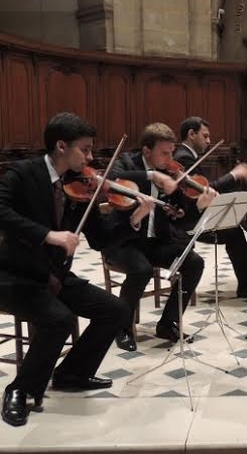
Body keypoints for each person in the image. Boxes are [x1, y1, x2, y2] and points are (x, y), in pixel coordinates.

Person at [0, 112, 134, 427]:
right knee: (59, 319)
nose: (90, 158)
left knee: (116, 310)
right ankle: (20, 389)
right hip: (16, 276)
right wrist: (47, 235)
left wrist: (133, 220)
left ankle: (72, 374)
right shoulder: (23, 173)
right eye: (85, 149)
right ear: (61, 146)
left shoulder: (78, 187)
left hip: (55, 275)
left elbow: (100, 240)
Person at [103, 122, 217, 351]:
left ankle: (167, 323)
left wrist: (199, 207)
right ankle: (122, 327)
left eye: (171, 152)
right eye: (164, 153)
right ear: (147, 151)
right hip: (123, 242)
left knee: (194, 263)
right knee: (141, 270)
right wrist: (151, 175)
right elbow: (109, 179)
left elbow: (182, 220)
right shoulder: (127, 162)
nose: (170, 159)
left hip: (155, 242)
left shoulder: (171, 174)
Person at [174, 116, 247, 299]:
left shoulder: (187, 156)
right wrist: (233, 175)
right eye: (205, 136)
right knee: (233, 232)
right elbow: (205, 189)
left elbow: (205, 189)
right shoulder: (183, 158)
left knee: (233, 231)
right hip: (188, 221)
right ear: (191, 134)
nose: (209, 141)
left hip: (195, 215)